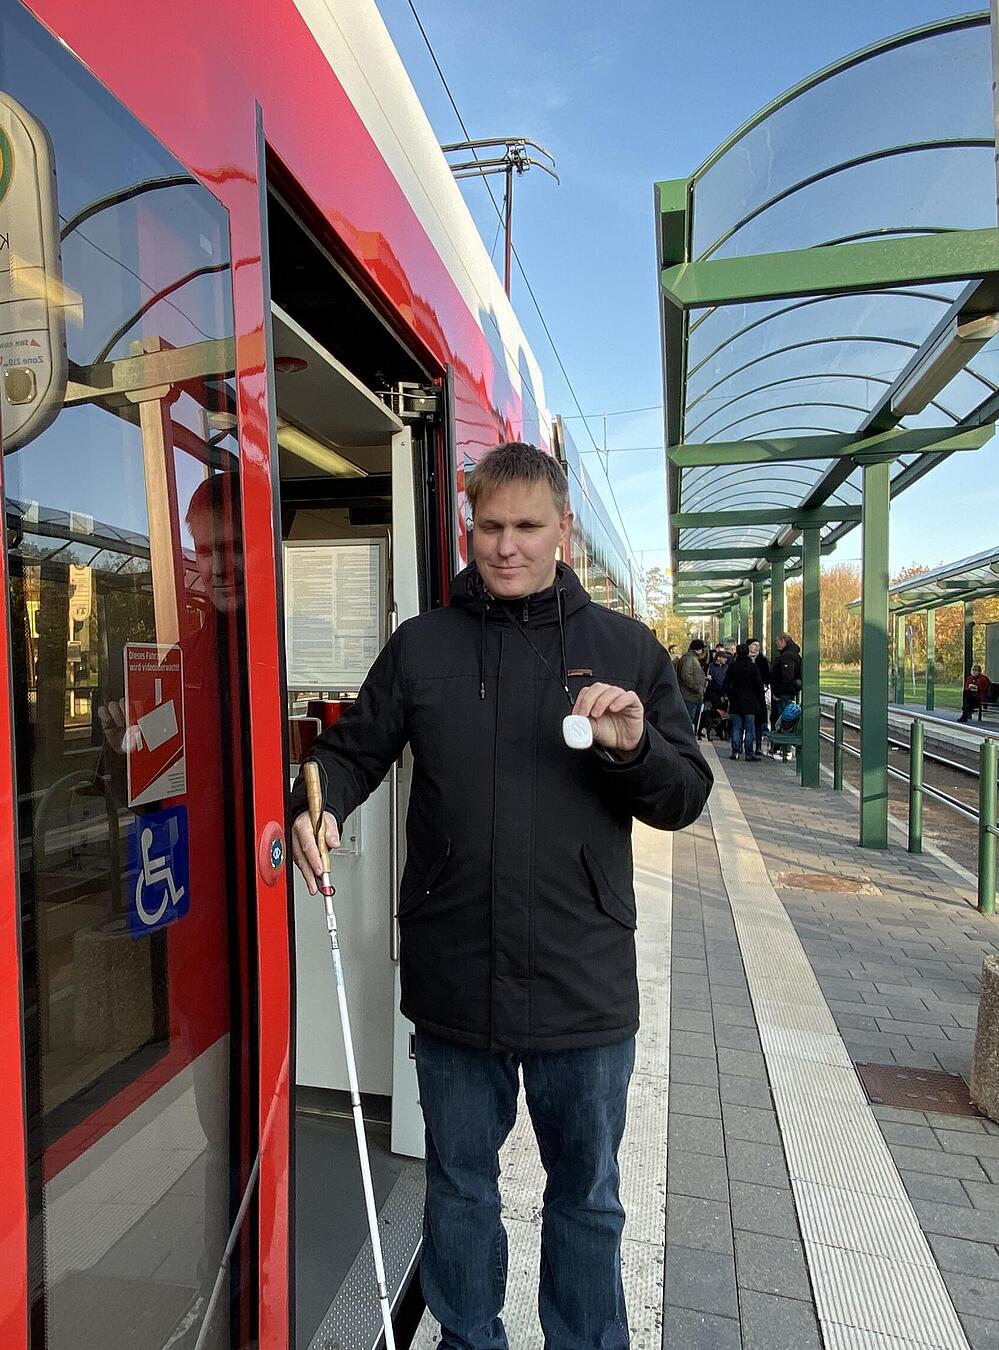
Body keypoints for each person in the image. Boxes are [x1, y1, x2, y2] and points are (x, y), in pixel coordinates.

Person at [289, 443, 711, 1350]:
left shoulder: (626, 650)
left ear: (562, 529)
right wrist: (314, 801)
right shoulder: (423, 646)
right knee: (460, 1189)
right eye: (489, 527)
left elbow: (685, 797)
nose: (505, 546)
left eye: (526, 527)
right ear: (468, 526)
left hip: (583, 984)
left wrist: (634, 749)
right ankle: (468, 1339)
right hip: (456, 977)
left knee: (587, 1198)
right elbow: (351, 753)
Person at [723, 639, 765, 762]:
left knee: (737, 727)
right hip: (751, 702)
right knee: (749, 728)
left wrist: (729, 695)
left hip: (736, 701)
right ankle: (748, 753)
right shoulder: (753, 667)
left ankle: (735, 751)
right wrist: (759, 699)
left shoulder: (733, 667)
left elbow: (726, 683)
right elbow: (759, 685)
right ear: (747, 652)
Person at [674, 637, 709, 741]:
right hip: (689, 696)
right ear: (698, 649)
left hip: (692, 696)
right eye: (702, 649)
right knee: (688, 721)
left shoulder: (691, 658)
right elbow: (686, 676)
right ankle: (685, 741)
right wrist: (697, 688)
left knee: (691, 721)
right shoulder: (689, 659)